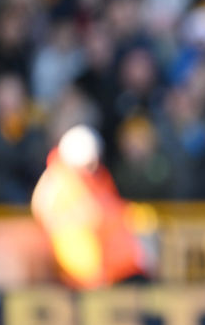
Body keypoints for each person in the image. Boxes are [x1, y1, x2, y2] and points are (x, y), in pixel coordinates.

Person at [31, 124, 149, 290]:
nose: (91, 168)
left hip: (114, 269)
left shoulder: (96, 178)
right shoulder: (58, 184)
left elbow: (110, 210)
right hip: (84, 274)